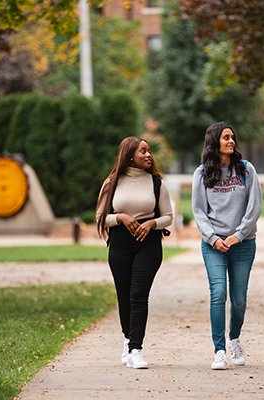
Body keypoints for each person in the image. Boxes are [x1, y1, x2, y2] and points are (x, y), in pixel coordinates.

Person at [96, 136, 173, 369]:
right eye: (143, 151)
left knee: (138, 294)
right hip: (120, 244)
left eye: (149, 151)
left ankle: (136, 349)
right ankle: (127, 340)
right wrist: (120, 217)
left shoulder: (156, 182)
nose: (149, 155)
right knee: (124, 294)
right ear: (130, 155)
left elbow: (168, 217)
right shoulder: (112, 182)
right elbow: (101, 217)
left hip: (148, 244)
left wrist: (152, 224)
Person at [192, 121, 262, 370]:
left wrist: (239, 235)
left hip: (243, 244)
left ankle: (234, 339)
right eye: (226, 138)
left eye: (232, 137)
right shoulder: (201, 174)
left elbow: (255, 207)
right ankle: (219, 350)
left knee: (239, 300)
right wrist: (214, 238)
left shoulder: (245, 170)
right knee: (218, 293)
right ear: (214, 143)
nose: (231, 141)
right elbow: (199, 212)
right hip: (214, 246)